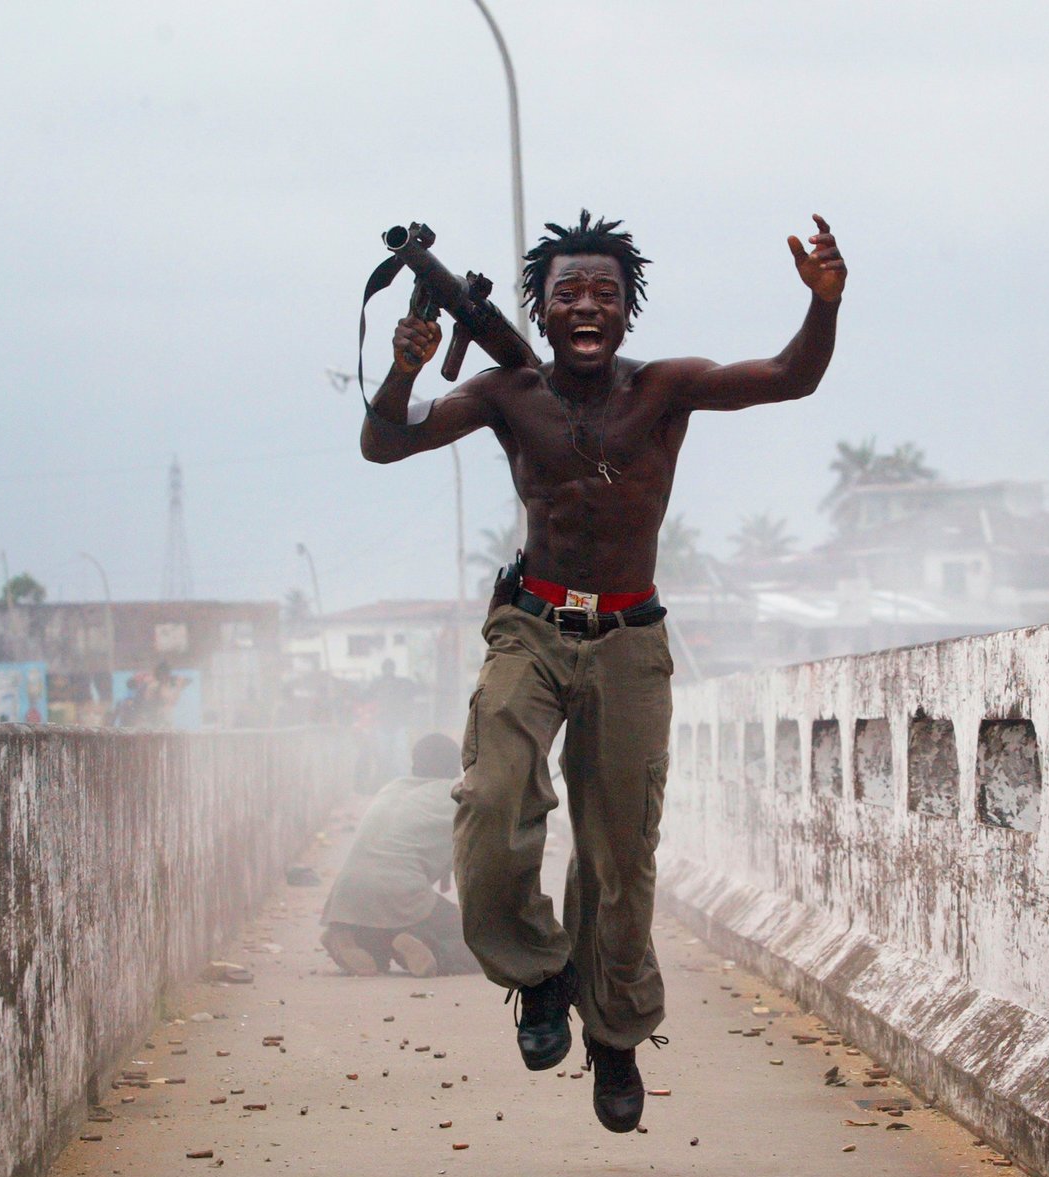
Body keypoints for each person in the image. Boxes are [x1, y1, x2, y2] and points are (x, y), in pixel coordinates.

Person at [360, 210, 846, 1130]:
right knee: (494, 795)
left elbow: (791, 377)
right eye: (568, 293)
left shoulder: (664, 389)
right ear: (539, 311)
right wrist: (406, 366)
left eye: (606, 294)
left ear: (628, 313)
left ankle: (615, 1033)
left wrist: (822, 305)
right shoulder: (508, 393)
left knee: (620, 851)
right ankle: (539, 975)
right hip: (532, 629)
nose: (587, 306)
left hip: (631, 639)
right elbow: (385, 441)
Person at [320, 733, 480, 979]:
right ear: (456, 767)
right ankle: (430, 949)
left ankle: (352, 939)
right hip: (398, 893)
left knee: (384, 931)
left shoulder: (392, 788)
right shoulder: (458, 796)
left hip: (346, 895)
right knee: (479, 941)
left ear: (414, 766)